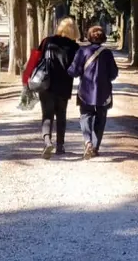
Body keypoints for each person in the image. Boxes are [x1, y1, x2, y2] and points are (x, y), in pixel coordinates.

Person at [22, 17, 80, 158]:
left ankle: (47, 141)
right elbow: (77, 68)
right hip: (64, 85)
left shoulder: (47, 41)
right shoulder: (75, 47)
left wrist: (26, 78)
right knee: (61, 116)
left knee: (47, 115)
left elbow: (35, 59)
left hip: (46, 84)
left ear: (59, 27)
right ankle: (60, 146)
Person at [68, 25, 119, 159]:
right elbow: (114, 73)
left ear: (89, 37)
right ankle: (95, 148)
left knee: (85, 116)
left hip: (85, 91)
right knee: (101, 119)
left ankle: (88, 141)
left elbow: (74, 71)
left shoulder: (82, 51)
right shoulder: (107, 53)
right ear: (102, 37)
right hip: (104, 92)